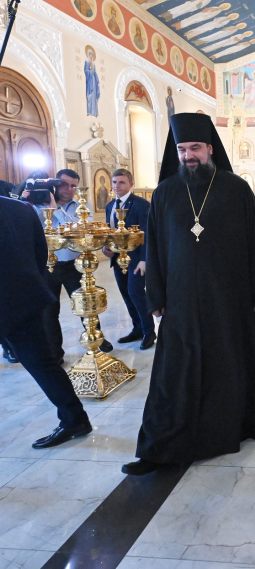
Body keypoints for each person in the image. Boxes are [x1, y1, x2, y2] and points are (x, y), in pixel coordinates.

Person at [122, 113, 255, 475]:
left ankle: (229, 430)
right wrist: (155, 297)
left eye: (195, 148)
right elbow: (154, 248)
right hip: (182, 302)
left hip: (230, 301)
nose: (188, 155)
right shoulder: (165, 193)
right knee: (173, 373)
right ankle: (159, 445)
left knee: (228, 367)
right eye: (182, 149)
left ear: (209, 149)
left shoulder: (236, 188)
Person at [0, 197, 92, 448]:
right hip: (24, 298)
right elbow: (41, 253)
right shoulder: (22, 208)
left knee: (41, 363)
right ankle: (75, 418)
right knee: (42, 363)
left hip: (10, 302)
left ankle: (74, 419)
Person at [24, 169, 114, 363]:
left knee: (86, 304)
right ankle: (55, 351)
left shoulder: (81, 206)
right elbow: (29, 226)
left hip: (75, 265)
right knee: (49, 311)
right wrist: (27, 202)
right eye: (64, 184)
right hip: (47, 265)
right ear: (55, 184)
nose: (69, 189)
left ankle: (96, 337)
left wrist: (55, 208)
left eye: (73, 185)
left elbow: (76, 231)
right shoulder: (36, 205)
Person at [101, 169, 154, 350]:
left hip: (136, 259)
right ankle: (137, 329)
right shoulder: (110, 206)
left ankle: (149, 331)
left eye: (122, 182)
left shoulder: (140, 204)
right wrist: (106, 248)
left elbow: (147, 233)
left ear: (131, 184)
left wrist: (145, 259)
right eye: (115, 182)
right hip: (117, 259)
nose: (117, 186)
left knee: (136, 293)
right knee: (126, 294)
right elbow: (110, 232)